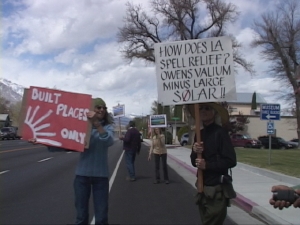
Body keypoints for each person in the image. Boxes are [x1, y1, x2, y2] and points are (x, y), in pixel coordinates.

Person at [28, 98, 114, 225]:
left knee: (101, 218)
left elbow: (108, 141)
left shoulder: (107, 127)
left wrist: (96, 123)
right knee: (81, 217)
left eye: (104, 108)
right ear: (91, 109)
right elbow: (64, 143)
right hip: (82, 177)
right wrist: (41, 140)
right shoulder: (80, 127)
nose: (102, 109)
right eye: (98, 107)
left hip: (100, 177)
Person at [188, 102, 237, 225]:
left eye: (207, 108)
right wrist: (195, 152)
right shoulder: (199, 134)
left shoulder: (220, 133)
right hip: (202, 190)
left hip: (216, 190)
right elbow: (194, 162)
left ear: (214, 113)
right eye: (200, 108)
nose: (203, 111)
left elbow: (231, 160)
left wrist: (208, 165)